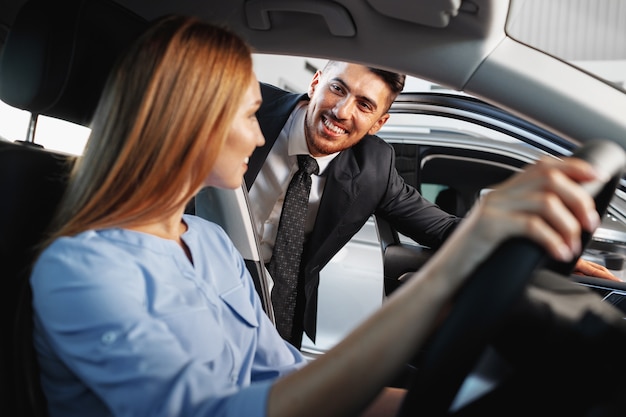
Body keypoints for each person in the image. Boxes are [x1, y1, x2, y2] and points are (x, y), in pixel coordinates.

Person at [30, 15, 606, 417]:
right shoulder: (83, 269)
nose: (258, 134)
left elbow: (281, 377)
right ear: (194, 120)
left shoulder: (205, 241)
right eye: (249, 113)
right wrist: (441, 288)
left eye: (363, 105)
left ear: (378, 122)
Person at [232, 59, 618, 347]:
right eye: (338, 88)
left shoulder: (374, 166)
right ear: (316, 82)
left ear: (379, 122)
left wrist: (546, 253)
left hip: (275, 312)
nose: (342, 112)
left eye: (365, 105)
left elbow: (443, 228)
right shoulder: (246, 109)